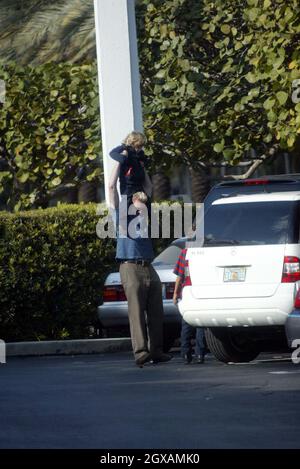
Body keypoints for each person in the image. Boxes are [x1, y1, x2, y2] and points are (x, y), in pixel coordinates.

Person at [173, 247, 206, 364]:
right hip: (201, 290)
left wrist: (176, 293)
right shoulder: (205, 252)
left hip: (188, 290)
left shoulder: (185, 252)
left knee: (186, 323)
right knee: (200, 324)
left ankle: (186, 353)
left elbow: (180, 275)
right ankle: (200, 354)